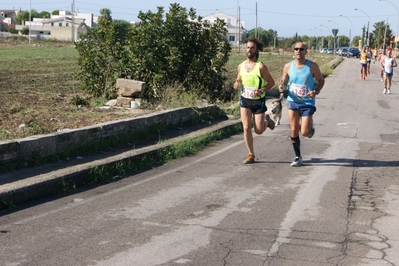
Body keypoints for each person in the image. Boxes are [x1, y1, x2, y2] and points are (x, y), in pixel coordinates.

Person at [278, 42, 325, 167]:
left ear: (306, 51)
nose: (298, 51)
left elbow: (321, 80)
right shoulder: (288, 66)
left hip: (307, 102)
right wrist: (281, 86)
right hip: (293, 100)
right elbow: (284, 81)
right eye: (296, 49)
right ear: (294, 51)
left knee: (304, 132)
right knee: (293, 129)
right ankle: (298, 157)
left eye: (301, 49)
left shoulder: (312, 66)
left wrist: (316, 90)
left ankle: (310, 126)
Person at [233, 38, 276, 164]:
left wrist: (262, 90)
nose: (249, 50)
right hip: (245, 100)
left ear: (256, 50)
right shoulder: (241, 66)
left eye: (252, 48)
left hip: (258, 101)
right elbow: (239, 79)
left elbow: (271, 82)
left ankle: (266, 121)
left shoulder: (260, 66)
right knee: (246, 127)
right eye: (247, 47)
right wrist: (236, 83)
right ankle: (250, 154)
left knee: (258, 130)